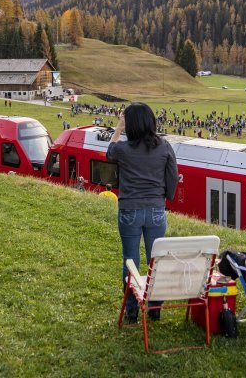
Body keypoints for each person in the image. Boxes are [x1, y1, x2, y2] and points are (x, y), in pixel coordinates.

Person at [106, 102, 178, 324]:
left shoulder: (123, 150)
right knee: (155, 260)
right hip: (156, 210)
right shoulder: (165, 146)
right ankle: (155, 307)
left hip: (129, 210)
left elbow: (109, 152)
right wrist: (164, 197)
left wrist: (118, 128)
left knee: (130, 260)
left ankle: (132, 310)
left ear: (130, 125)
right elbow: (173, 178)